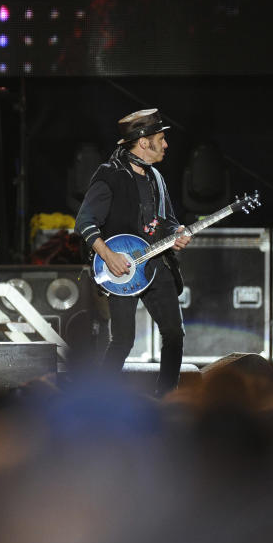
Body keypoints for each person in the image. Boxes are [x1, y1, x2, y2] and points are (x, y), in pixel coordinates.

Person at [75, 108, 191, 395]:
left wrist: (177, 233)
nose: (165, 145)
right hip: (122, 268)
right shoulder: (109, 175)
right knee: (123, 340)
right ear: (143, 142)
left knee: (174, 333)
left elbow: (168, 221)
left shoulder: (157, 179)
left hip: (155, 263)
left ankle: (166, 396)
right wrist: (108, 256)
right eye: (160, 139)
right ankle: (98, 397)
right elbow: (85, 222)